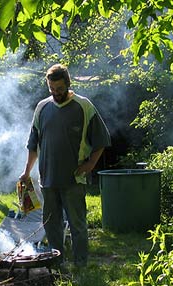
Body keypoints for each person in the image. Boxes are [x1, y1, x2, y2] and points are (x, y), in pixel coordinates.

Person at [20, 64, 111, 267]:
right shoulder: (42, 107)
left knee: (77, 225)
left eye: (59, 89)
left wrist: (90, 165)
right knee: (52, 225)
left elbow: (101, 140)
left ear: (68, 85)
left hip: (74, 179)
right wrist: (26, 172)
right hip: (48, 179)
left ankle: (81, 266)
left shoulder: (84, 106)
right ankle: (56, 265)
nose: (55, 93)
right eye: (52, 89)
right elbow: (33, 143)